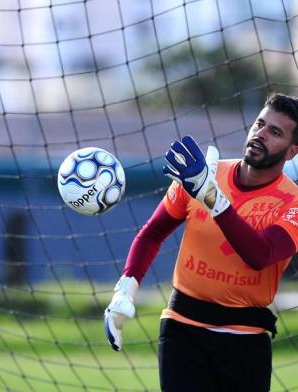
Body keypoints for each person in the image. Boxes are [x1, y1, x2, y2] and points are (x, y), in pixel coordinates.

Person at [104, 92, 298, 392]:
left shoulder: (292, 202)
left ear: (292, 152)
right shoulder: (204, 175)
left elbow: (260, 254)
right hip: (182, 330)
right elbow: (152, 233)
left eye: (275, 132)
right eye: (259, 124)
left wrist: (210, 197)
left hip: (246, 340)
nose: (260, 134)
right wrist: (125, 290)